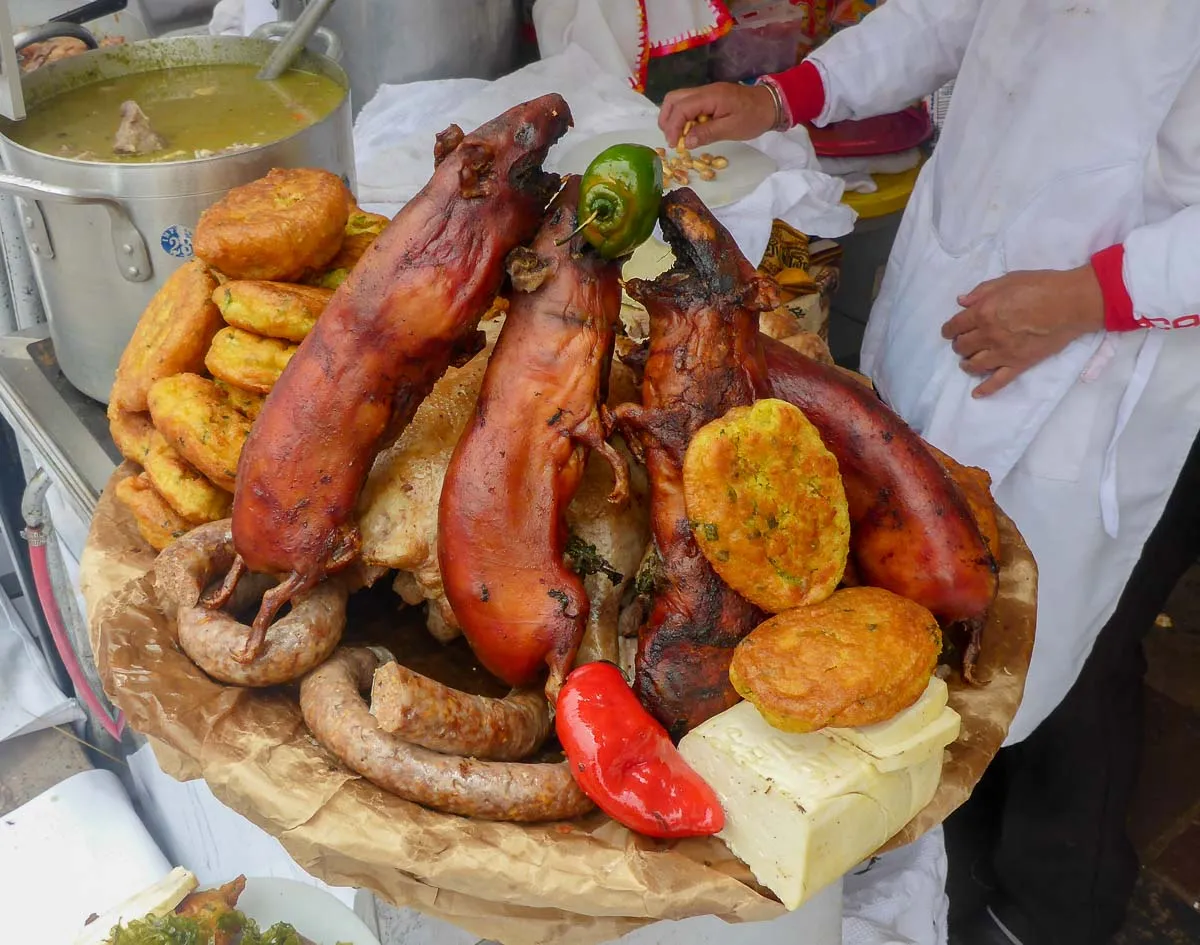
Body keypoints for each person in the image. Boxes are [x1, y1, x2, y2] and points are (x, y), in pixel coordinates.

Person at [658, 5, 1200, 945]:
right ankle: (941, 851)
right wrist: (780, 96)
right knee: (926, 594)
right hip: (963, 268)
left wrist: (1089, 296)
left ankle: (1048, 909)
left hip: (1108, 349)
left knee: (1062, 645)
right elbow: (946, 13)